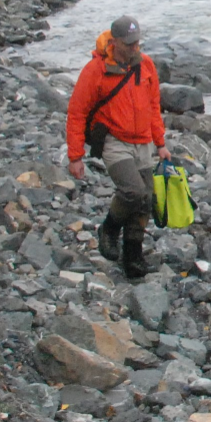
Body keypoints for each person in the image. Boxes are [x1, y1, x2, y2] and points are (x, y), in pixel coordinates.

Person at [65, 15, 171, 279]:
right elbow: (77, 113)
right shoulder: (95, 70)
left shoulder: (146, 65)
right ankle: (109, 228)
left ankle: (132, 256)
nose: (135, 48)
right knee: (133, 191)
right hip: (114, 141)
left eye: (137, 43)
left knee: (146, 199)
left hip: (143, 140)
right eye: (129, 44)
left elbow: (153, 106)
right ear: (114, 42)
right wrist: (75, 155)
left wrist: (161, 143)